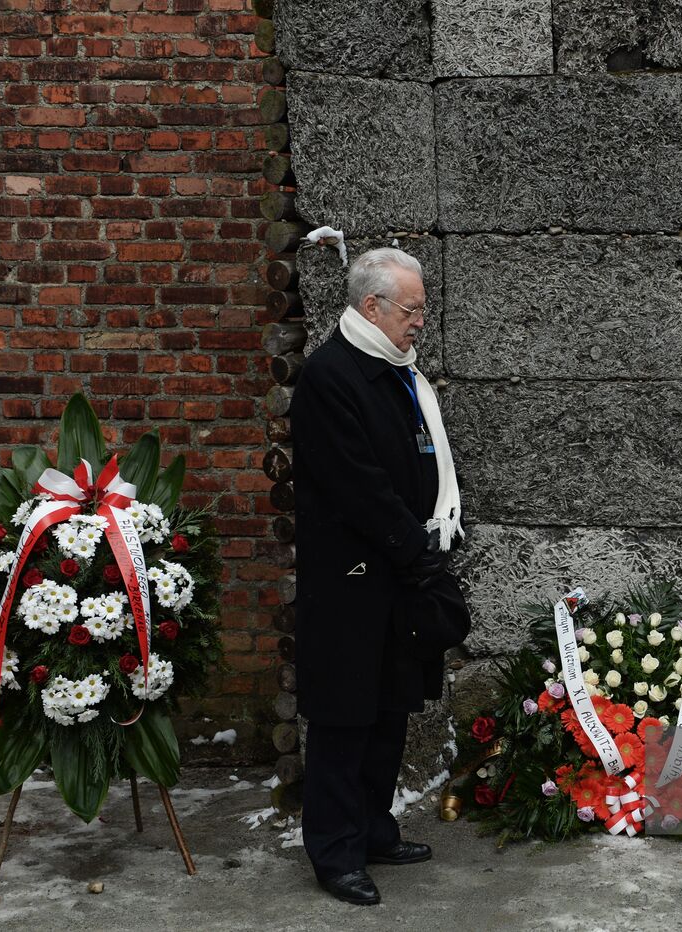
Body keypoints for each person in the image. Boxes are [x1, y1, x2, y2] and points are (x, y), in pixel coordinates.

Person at [290, 247, 470, 906]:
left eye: (421, 309)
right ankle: (334, 853)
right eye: (412, 309)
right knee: (344, 721)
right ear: (372, 307)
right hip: (352, 584)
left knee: (389, 712)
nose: (420, 321)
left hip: (396, 577)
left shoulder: (395, 373)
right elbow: (358, 486)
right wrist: (415, 550)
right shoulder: (331, 377)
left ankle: (372, 829)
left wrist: (423, 547)